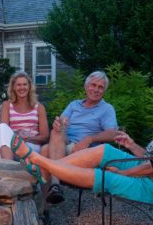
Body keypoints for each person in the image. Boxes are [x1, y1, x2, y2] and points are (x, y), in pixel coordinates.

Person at [9, 79, 153, 206]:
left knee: (105, 177)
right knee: (104, 150)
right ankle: (45, 169)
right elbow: (151, 158)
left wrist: (122, 172)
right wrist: (130, 144)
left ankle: (41, 165)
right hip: (148, 173)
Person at [43, 71, 118, 204]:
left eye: (100, 87)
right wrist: (58, 124)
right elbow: (62, 123)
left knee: (44, 151)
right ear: (86, 86)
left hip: (82, 151)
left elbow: (113, 133)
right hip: (64, 145)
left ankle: (45, 207)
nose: (96, 89)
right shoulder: (74, 105)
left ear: (104, 91)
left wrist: (89, 139)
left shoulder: (107, 109)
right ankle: (55, 186)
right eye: (93, 85)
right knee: (57, 130)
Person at [0, 71, 49, 160]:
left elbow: (45, 136)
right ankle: (8, 164)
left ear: (29, 87)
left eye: (24, 84)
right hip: (12, 144)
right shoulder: (7, 105)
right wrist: (17, 136)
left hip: (31, 146)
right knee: (1, 127)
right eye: (18, 85)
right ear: (14, 87)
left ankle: (5, 167)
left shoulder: (39, 107)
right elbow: (3, 130)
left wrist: (28, 138)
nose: (22, 87)